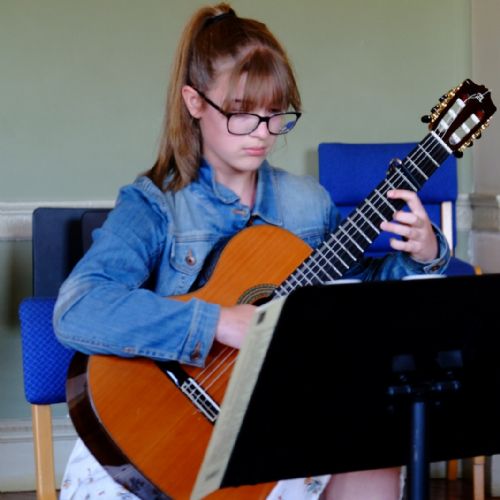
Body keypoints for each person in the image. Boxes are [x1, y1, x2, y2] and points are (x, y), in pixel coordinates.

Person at [53, 3, 450, 499]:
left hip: (278, 413)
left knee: (373, 445)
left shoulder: (307, 202)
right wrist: (218, 322)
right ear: (194, 102)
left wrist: (420, 255)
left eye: (275, 113)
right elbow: (79, 308)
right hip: (168, 426)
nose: (263, 132)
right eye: (242, 113)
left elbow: (347, 298)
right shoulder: (156, 204)